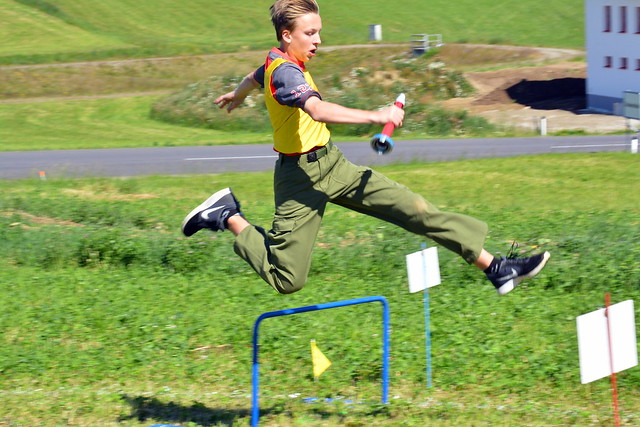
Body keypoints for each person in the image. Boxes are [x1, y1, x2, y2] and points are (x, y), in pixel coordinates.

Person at [181, 0, 550, 296]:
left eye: (319, 32)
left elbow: (255, 75)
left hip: (334, 165)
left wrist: (238, 93)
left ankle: (496, 268)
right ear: (287, 34)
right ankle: (227, 214)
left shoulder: (278, 61)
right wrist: (378, 115)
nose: (318, 41)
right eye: (310, 33)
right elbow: (317, 109)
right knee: (287, 279)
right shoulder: (286, 73)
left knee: (414, 209)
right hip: (299, 180)